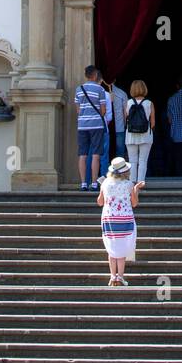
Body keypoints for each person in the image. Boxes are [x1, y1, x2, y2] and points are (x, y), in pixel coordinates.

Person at [98, 157, 143, 287]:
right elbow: (134, 203)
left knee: (112, 249)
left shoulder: (105, 183)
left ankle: (113, 276)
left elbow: (100, 202)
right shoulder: (128, 185)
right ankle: (121, 277)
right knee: (122, 249)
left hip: (109, 219)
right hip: (125, 219)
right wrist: (136, 190)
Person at [75, 64, 107, 192]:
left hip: (82, 125)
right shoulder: (100, 90)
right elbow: (103, 110)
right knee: (96, 154)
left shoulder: (79, 89)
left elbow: (78, 110)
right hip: (96, 125)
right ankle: (94, 183)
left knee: (82, 154)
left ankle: (83, 183)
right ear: (95, 75)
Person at [125, 80, 155, 184]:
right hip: (145, 135)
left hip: (131, 135)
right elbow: (153, 123)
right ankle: (140, 182)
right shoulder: (149, 103)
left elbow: (126, 119)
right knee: (143, 160)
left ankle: (132, 182)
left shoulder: (128, 103)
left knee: (132, 160)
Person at [108, 78, 129, 161]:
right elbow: (125, 113)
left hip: (106, 128)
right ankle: (119, 173)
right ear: (115, 80)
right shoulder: (122, 93)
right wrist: (124, 125)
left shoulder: (101, 92)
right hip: (119, 128)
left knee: (105, 153)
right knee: (120, 154)